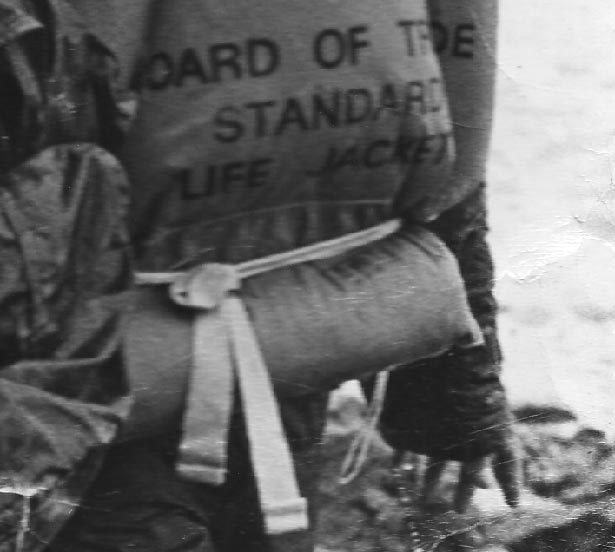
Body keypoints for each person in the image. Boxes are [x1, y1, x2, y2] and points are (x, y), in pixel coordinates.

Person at [0, 1, 519, 551]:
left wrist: (454, 395)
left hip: (107, 422)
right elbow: (442, 162)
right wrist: (453, 389)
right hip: (275, 358)